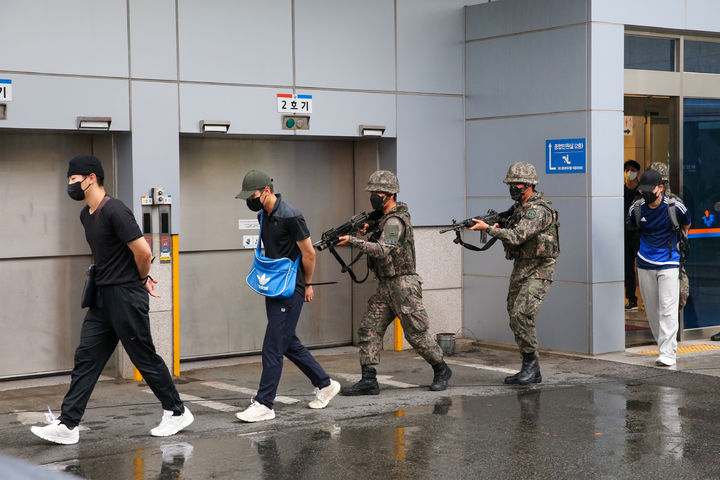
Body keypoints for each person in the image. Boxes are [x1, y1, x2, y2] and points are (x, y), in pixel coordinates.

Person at [31, 155, 193, 445]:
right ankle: (68, 424)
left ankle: (177, 411)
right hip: (103, 297)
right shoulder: (86, 215)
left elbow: (143, 252)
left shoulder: (115, 210)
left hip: (126, 295)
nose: (70, 185)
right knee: (87, 358)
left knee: (142, 356)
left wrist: (141, 280)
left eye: (73, 179)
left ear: (91, 178)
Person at [234, 170, 340, 422]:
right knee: (287, 341)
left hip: (293, 287)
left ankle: (264, 403)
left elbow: (309, 253)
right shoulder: (264, 215)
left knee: (273, 345)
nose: (250, 200)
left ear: (267, 191)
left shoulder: (291, 216)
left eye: (253, 195)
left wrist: (308, 284)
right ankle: (325, 384)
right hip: (275, 286)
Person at [336, 170, 452, 395]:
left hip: (403, 286)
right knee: (369, 328)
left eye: (378, 192)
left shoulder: (395, 221)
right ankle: (369, 379)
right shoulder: (382, 219)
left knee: (416, 333)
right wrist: (367, 230)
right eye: (372, 192)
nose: (374, 195)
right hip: (386, 285)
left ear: (390, 195)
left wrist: (353, 241)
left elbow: (381, 250)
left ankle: (442, 369)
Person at [468, 162, 559, 385]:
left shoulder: (538, 210)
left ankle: (531, 367)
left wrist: (488, 229)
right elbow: (509, 224)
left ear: (529, 185)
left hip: (539, 268)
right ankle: (529, 366)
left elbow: (518, 236)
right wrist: (492, 222)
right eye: (510, 184)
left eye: (516, 184)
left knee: (521, 314)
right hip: (521, 267)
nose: (512, 187)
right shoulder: (518, 208)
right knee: (513, 313)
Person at [627, 170, 691, 366]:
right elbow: (632, 227)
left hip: (669, 262)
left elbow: (686, 224)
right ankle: (662, 346)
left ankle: (668, 353)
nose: (646, 194)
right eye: (642, 190)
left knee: (667, 308)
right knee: (653, 310)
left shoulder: (674, 206)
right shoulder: (636, 208)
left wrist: (677, 246)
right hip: (645, 263)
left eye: (649, 190)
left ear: (660, 188)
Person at [624, 160, 641, 311]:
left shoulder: (642, 191)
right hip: (624, 234)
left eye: (632, 170)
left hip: (639, 234)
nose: (630, 173)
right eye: (627, 170)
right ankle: (631, 299)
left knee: (642, 266)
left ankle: (646, 299)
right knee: (628, 267)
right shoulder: (621, 190)